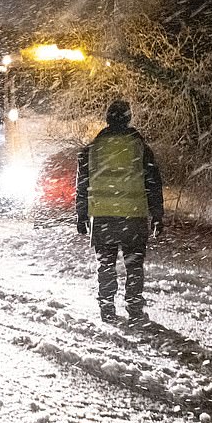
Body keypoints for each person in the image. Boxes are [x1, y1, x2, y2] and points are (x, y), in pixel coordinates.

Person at [76, 101, 164, 325]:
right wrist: (157, 215)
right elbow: (153, 182)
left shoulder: (93, 148)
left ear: (107, 119)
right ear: (128, 118)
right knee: (134, 265)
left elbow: (82, 184)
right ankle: (134, 309)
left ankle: (106, 308)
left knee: (106, 264)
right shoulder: (138, 146)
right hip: (133, 217)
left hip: (103, 216)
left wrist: (81, 214)